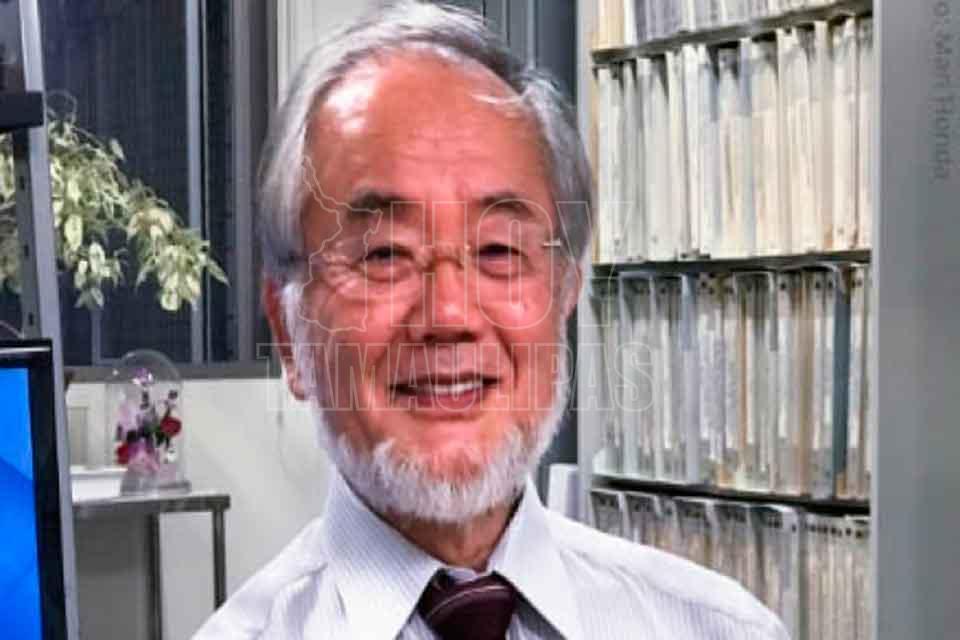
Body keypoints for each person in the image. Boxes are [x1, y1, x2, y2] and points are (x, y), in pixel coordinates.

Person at [194, 2, 788, 638]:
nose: (449, 315)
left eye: (499, 251)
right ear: (288, 335)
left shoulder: (721, 629)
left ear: (564, 293)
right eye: (385, 254)